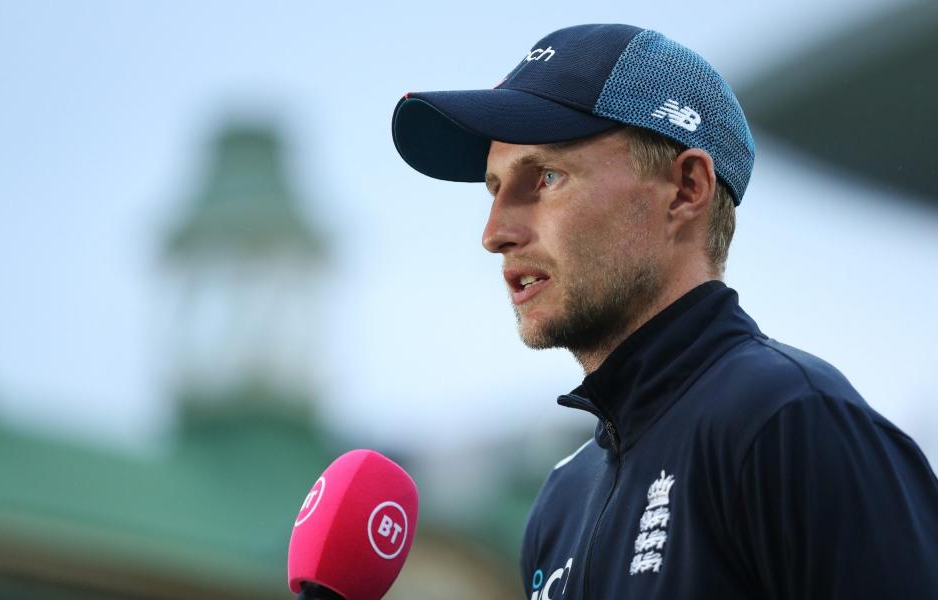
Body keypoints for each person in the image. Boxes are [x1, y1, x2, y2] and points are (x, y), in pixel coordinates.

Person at [391, 24, 938, 599]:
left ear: (685, 189)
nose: (495, 233)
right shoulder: (559, 500)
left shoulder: (790, 419)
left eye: (547, 177)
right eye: (494, 189)